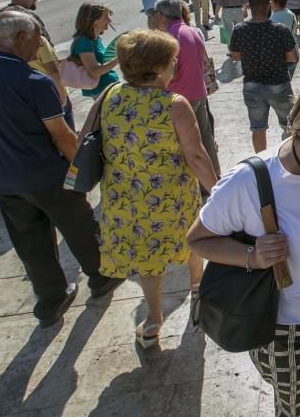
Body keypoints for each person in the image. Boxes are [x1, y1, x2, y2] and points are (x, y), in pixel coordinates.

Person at [186, 81, 300, 417]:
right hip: (285, 331)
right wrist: (251, 256)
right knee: (291, 410)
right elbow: (197, 239)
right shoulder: (248, 181)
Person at [0, 12, 123, 327]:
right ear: (20, 38)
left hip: (4, 178)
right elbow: (61, 135)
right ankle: (101, 277)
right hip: (45, 174)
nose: (42, 44)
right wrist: (84, 170)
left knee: (30, 241)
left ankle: (50, 299)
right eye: (37, 37)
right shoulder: (34, 82)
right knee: (80, 227)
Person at [82, 29, 218, 348]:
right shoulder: (174, 104)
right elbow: (196, 155)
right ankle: (198, 285)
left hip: (124, 196)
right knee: (191, 239)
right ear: (159, 67)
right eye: (173, 61)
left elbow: (85, 138)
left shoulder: (110, 94)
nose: (176, 65)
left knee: (147, 259)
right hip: (170, 195)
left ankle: (154, 320)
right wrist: (219, 189)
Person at [153, 0, 222, 194]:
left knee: (189, 144)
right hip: (197, 92)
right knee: (205, 138)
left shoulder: (169, 37)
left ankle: (202, 183)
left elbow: (170, 73)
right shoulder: (191, 30)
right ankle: (213, 176)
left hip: (181, 98)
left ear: (161, 15)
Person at [229, 0, 298, 152]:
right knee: (289, 125)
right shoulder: (280, 30)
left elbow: (236, 55)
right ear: (269, 6)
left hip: (252, 85)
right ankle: (291, 157)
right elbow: (292, 57)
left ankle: (261, 160)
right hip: (278, 83)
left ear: (249, 7)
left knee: (258, 128)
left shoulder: (240, 30)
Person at [0, 0, 70, 128]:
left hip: (16, 87)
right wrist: (61, 93)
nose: (35, 0)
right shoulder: (28, 17)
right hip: (43, 82)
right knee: (62, 126)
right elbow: (48, 54)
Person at [71, 3, 120, 98]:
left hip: (107, 88)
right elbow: (94, 71)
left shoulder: (95, 39)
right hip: (102, 92)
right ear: (94, 21)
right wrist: (119, 58)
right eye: (105, 17)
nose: (110, 20)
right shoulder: (84, 42)